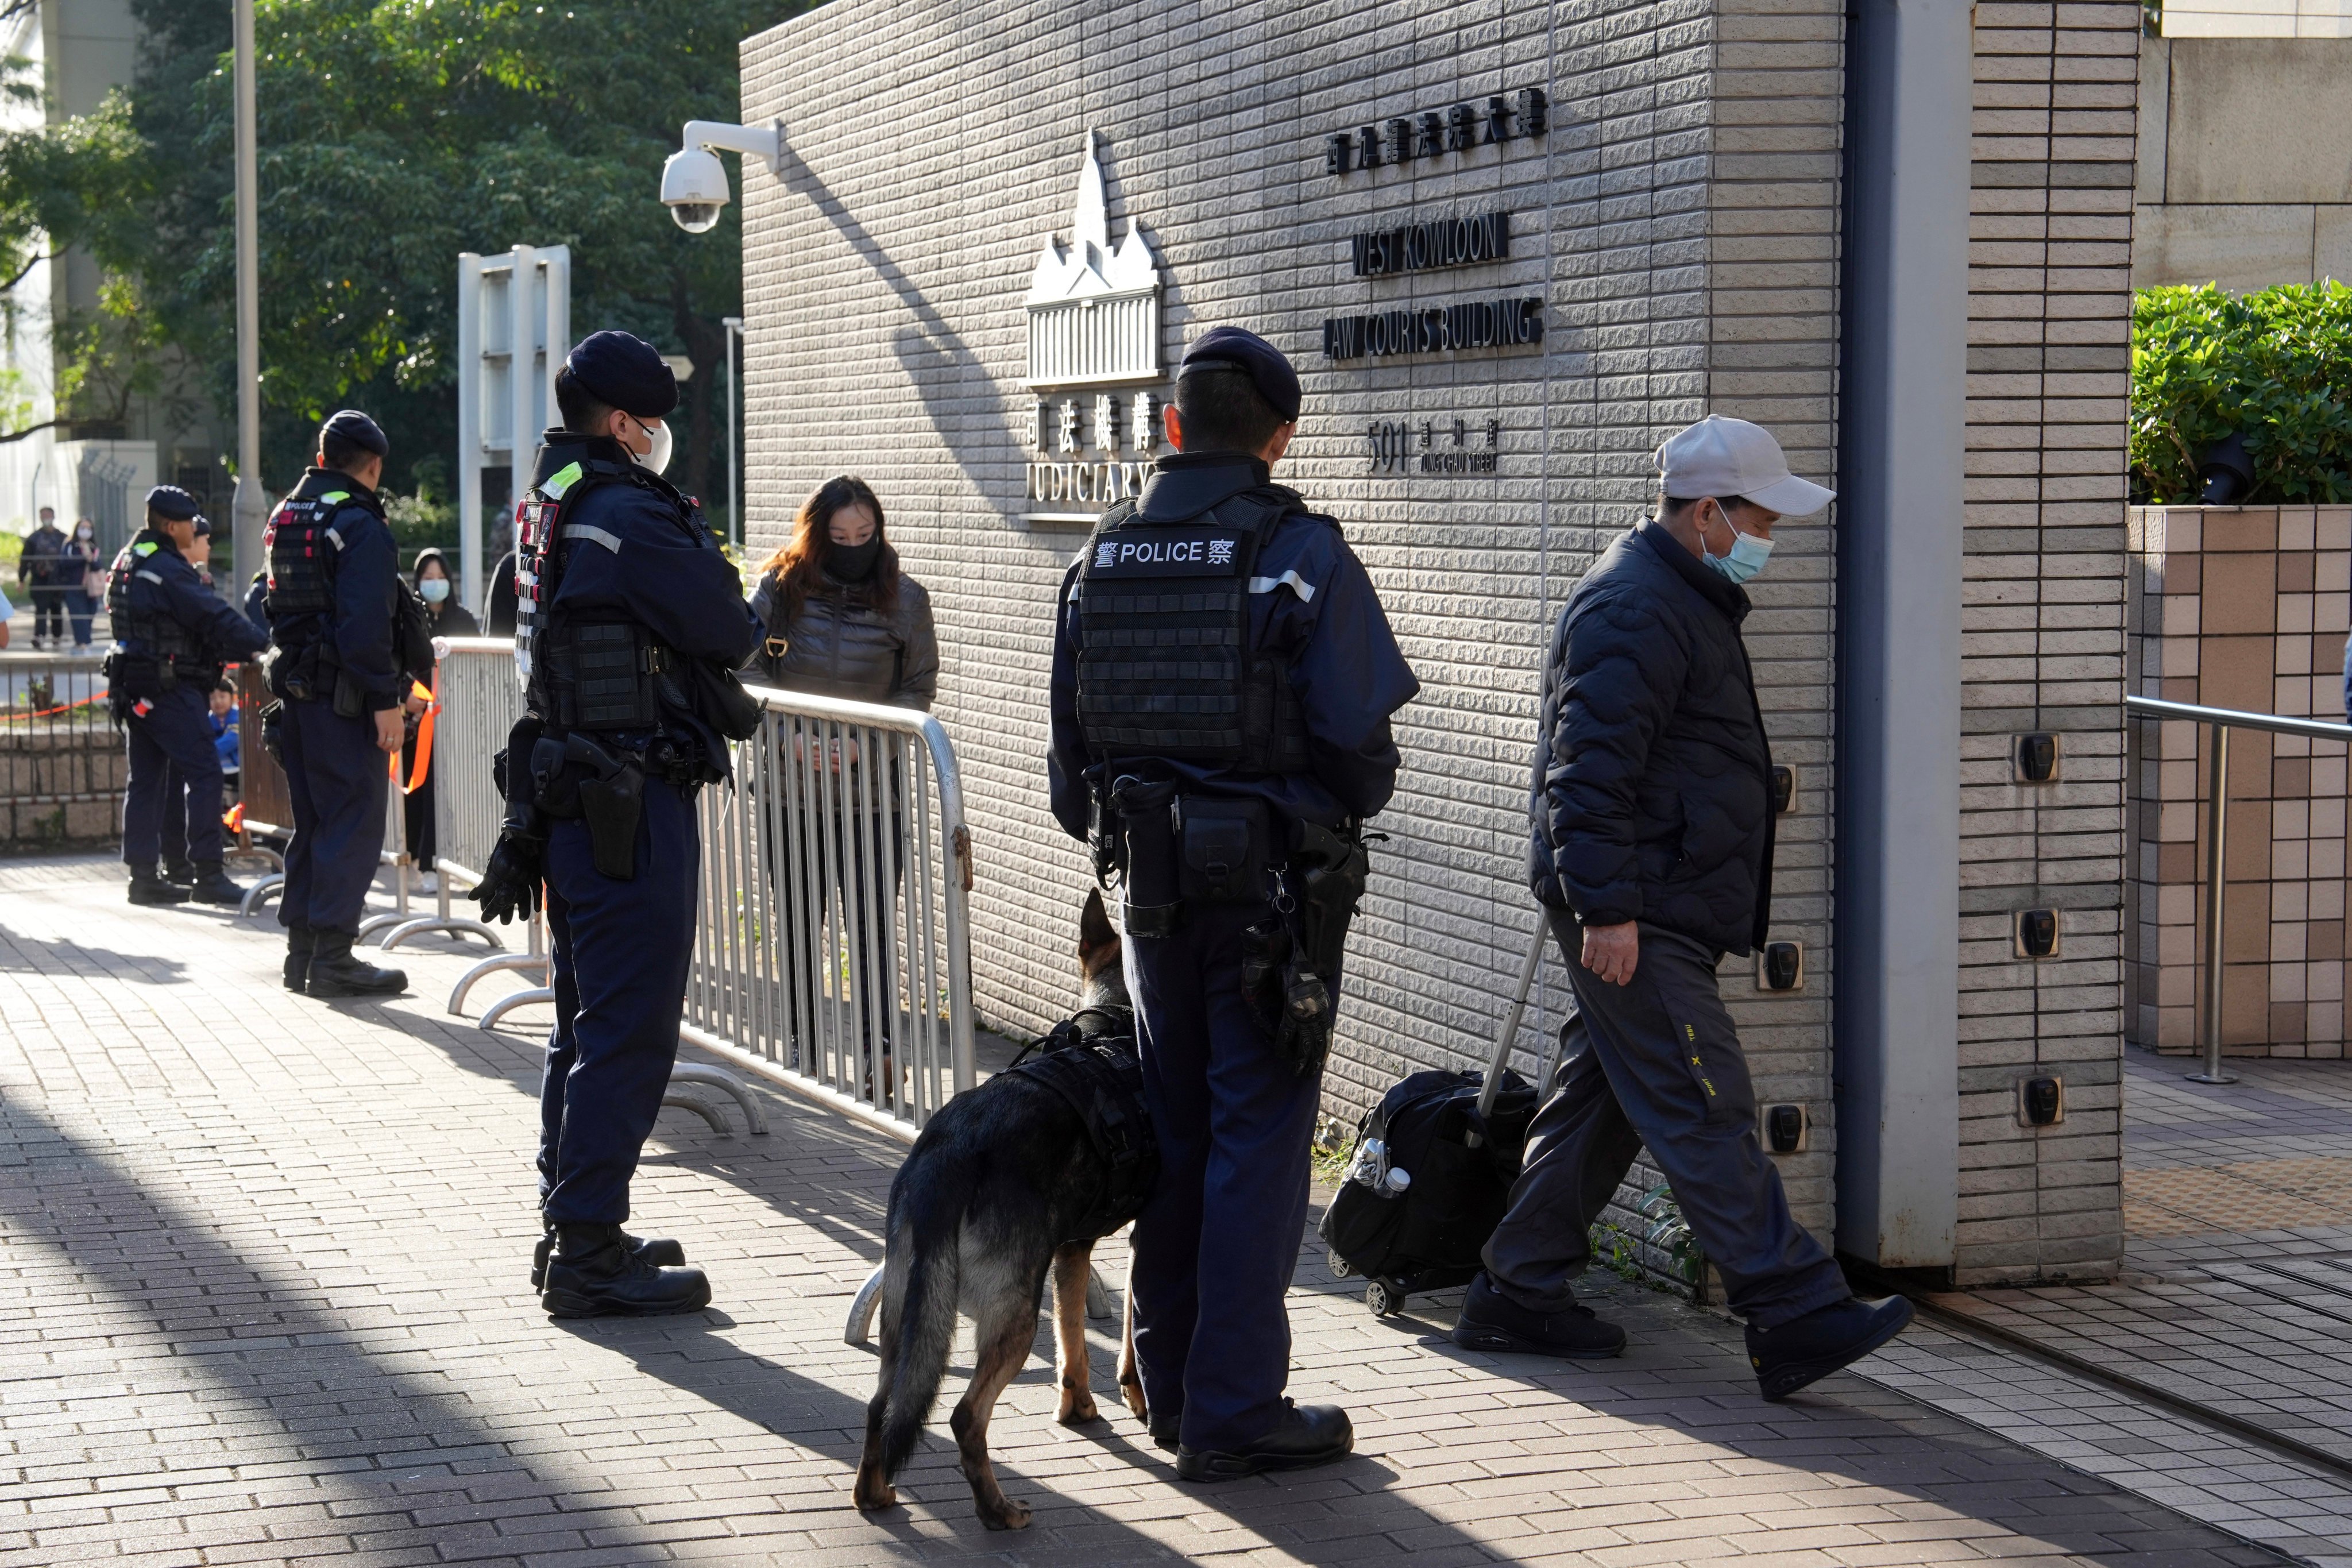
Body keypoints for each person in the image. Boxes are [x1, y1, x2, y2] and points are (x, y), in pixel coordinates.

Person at [1453, 414, 1913, 1401]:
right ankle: (1791, 1309)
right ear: (1707, 513)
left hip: (1650, 903)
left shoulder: (1679, 596)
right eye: (1761, 519)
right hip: (1638, 913)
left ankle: (1516, 1287)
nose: (1770, 538)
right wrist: (1610, 908)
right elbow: (1585, 779)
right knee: (1707, 1102)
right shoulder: (1634, 608)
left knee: (1605, 1101)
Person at [1048, 326, 1419, 1480]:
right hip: (1270, 902)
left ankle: (1164, 1384)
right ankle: (1234, 1411)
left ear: (1169, 429)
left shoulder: (1099, 557)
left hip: (1148, 902)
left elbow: (1071, 786)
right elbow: (1361, 751)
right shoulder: (1297, 555)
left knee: (1180, 1134)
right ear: (1279, 436)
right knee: (1257, 1144)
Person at [469, 330, 762, 1317]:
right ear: (627, 424)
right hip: (628, 802)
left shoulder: (550, 504)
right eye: (655, 423)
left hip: (573, 794)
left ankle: (573, 1224)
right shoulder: (628, 511)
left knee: (582, 1024)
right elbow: (726, 625)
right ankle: (590, 1253)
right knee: (627, 1033)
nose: (659, 439)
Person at [744, 476, 938, 1074]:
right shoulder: (780, 589)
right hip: (791, 793)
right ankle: (804, 1045)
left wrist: (866, 746)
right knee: (800, 923)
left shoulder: (906, 598)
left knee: (874, 926)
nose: (855, 546)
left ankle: (880, 1049)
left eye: (866, 534)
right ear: (817, 535)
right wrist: (790, 737)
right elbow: (747, 675)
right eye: (840, 536)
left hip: (874, 798)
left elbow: (917, 688)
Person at [264, 410, 422, 998]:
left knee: (314, 825)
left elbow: (273, 605)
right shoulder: (359, 525)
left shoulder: (288, 514)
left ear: (324, 456)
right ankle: (333, 959)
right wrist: (386, 701)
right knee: (352, 824)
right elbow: (364, 626)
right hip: (345, 701)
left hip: (298, 696)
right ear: (373, 465)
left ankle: (302, 954)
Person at [106, 487, 268, 906]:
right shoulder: (167, 568)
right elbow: (210, 615)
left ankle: (145, 876)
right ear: (172, 526)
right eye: (192, 523)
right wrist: (263, 645)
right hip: (169, 688)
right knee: (205, 775)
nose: (197, 529)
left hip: (136, 688)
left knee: (145, 780)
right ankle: (208, 875)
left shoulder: (129, 559)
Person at [403, 547, 479, 891]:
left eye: (440, 577)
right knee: (419, 791)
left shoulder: (463, 620)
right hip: (417, 723)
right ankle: (421, 860)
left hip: (457, 723)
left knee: (455, 791)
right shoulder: (411, 620)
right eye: (428, 578)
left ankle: (452, 861)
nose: (435, 584)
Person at [19, 507, 65, 649]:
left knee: (56, 608)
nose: (46, 518)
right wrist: (21, 579)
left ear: (53, 516)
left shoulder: (62, 538)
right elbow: (25, 560)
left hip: (58, 580)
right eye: (43, 516)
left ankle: (57, 636)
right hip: (40, 580)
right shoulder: (33, 539)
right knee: (41, 608)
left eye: (48, 515)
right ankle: (39, 636)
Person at [62, 519, 103, 652]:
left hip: (91, 589)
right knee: (78, 615)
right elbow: (64, 563)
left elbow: (98, 566)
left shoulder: (93, 547)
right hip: (74, 587)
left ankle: (85, 640)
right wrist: (83, 558)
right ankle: (83, 642)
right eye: (82, 528)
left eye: (89, 528)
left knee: (90, 613)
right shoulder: (70, 546)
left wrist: (91, 559)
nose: (85, 531)